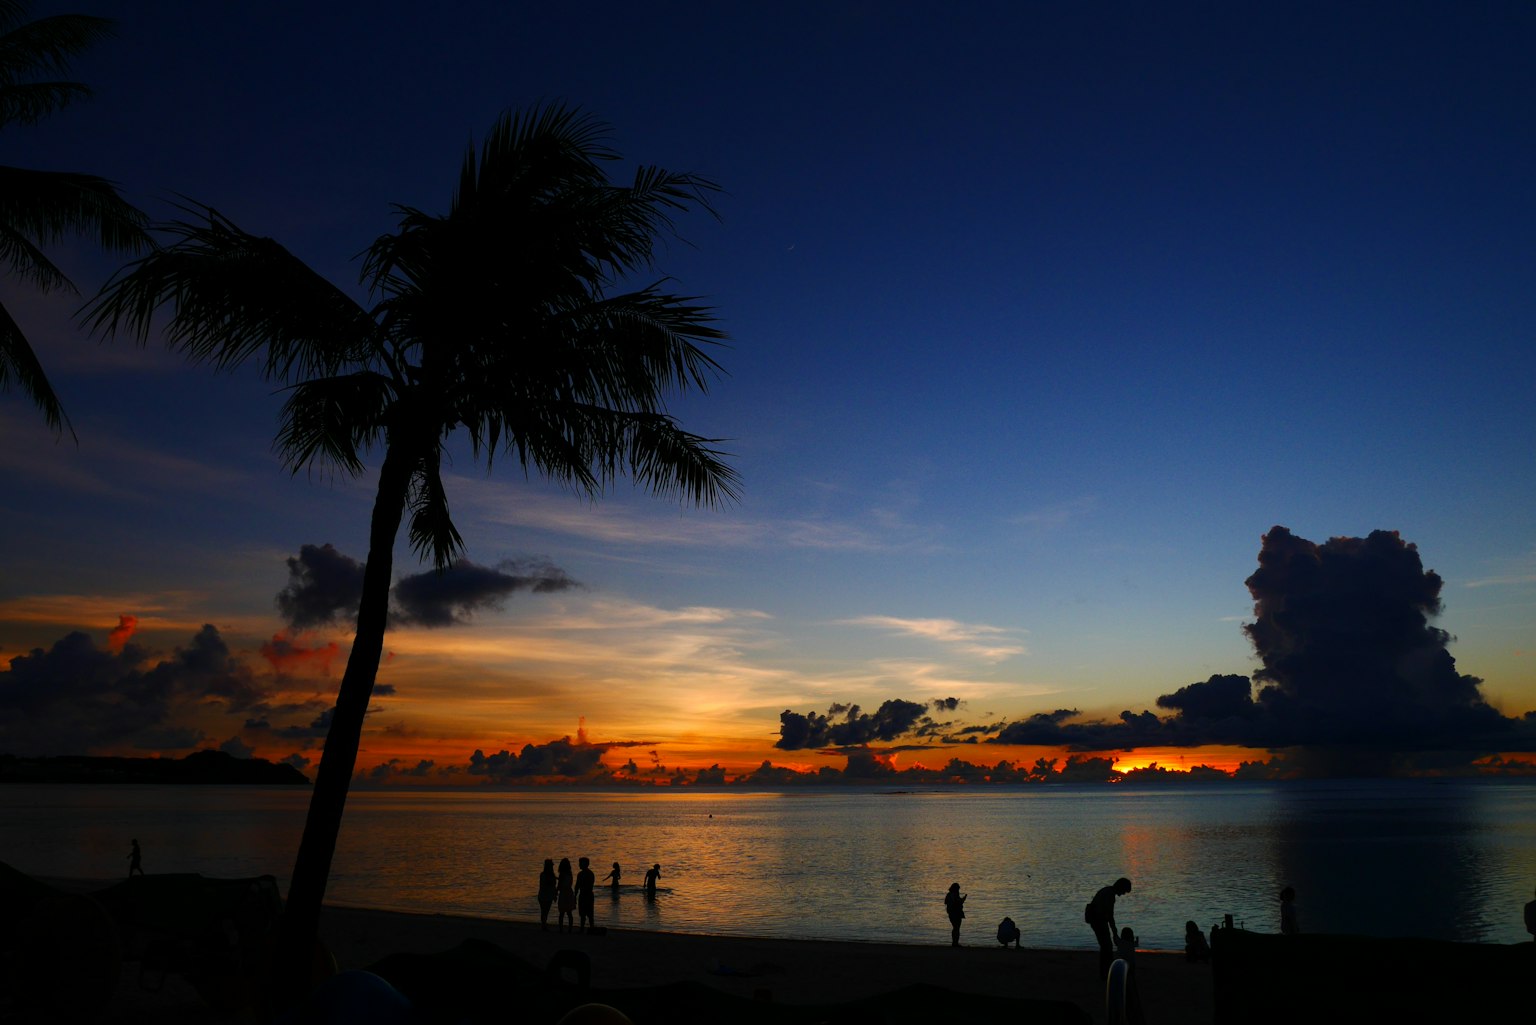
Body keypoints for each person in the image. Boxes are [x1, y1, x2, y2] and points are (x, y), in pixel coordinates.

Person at [1085, 877, 1132, 979]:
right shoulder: (1110, 895)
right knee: (1107, 947)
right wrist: (1114, 932)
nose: (1123, 894)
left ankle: (1105, 972)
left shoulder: (1106, 890)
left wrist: (1113, 931)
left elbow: (1108, 914)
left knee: (1106, 946)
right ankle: (1107, 973)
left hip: (1097, 920)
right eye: (1124, 891)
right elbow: (1110, 915)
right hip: (1098, 921)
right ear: (1121, 887)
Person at [1116, 926, 1147, 1025]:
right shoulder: (1131, 943)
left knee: (1124, 977)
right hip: (1131, 964)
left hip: (1122, 962)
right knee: (1131, 977)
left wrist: (1114, 930)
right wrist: (1137, 939)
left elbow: (1115, 938)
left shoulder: (1120, 942)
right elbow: (1137, 944)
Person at [575, 856, 596, 932]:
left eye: (580, 863)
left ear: (585, 864)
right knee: (589, 914)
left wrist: (575, 895)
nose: (579, 865)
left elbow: (577, 886)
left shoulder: (581, 874)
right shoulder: (591, 873)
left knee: (584, 914)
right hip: (589, 895)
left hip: (585, 895)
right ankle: (591, 928)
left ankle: (582, 929)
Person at [556, 857, 576, 932]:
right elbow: (569, 883)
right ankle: (570, 929)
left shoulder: (562, 874)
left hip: (563, 894)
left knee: (561, 913)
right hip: (569, 893)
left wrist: (555, 893)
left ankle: (561, 929)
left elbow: (559, 885)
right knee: (569, 913)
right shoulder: (570, 874)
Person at [944, 882, 967, 947]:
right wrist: (963, 899)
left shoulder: (949, 894)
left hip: (951, 913)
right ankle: (955, 943)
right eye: (958, 889)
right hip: (956, 913)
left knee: (955, 928)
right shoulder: (954, 894)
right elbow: (958, 902)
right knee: (956, 928)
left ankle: (954, 942)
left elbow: (945, 902)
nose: (958, 890)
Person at [536, 859, 557, 931]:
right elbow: (550, 885)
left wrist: (554, 895)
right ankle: (544, 925)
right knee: (545, 911)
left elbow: (552, 885)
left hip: (544, 895)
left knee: (544, 911)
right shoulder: (547, 875)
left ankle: (543, 924)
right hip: (546, 895)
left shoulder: (544, 874)